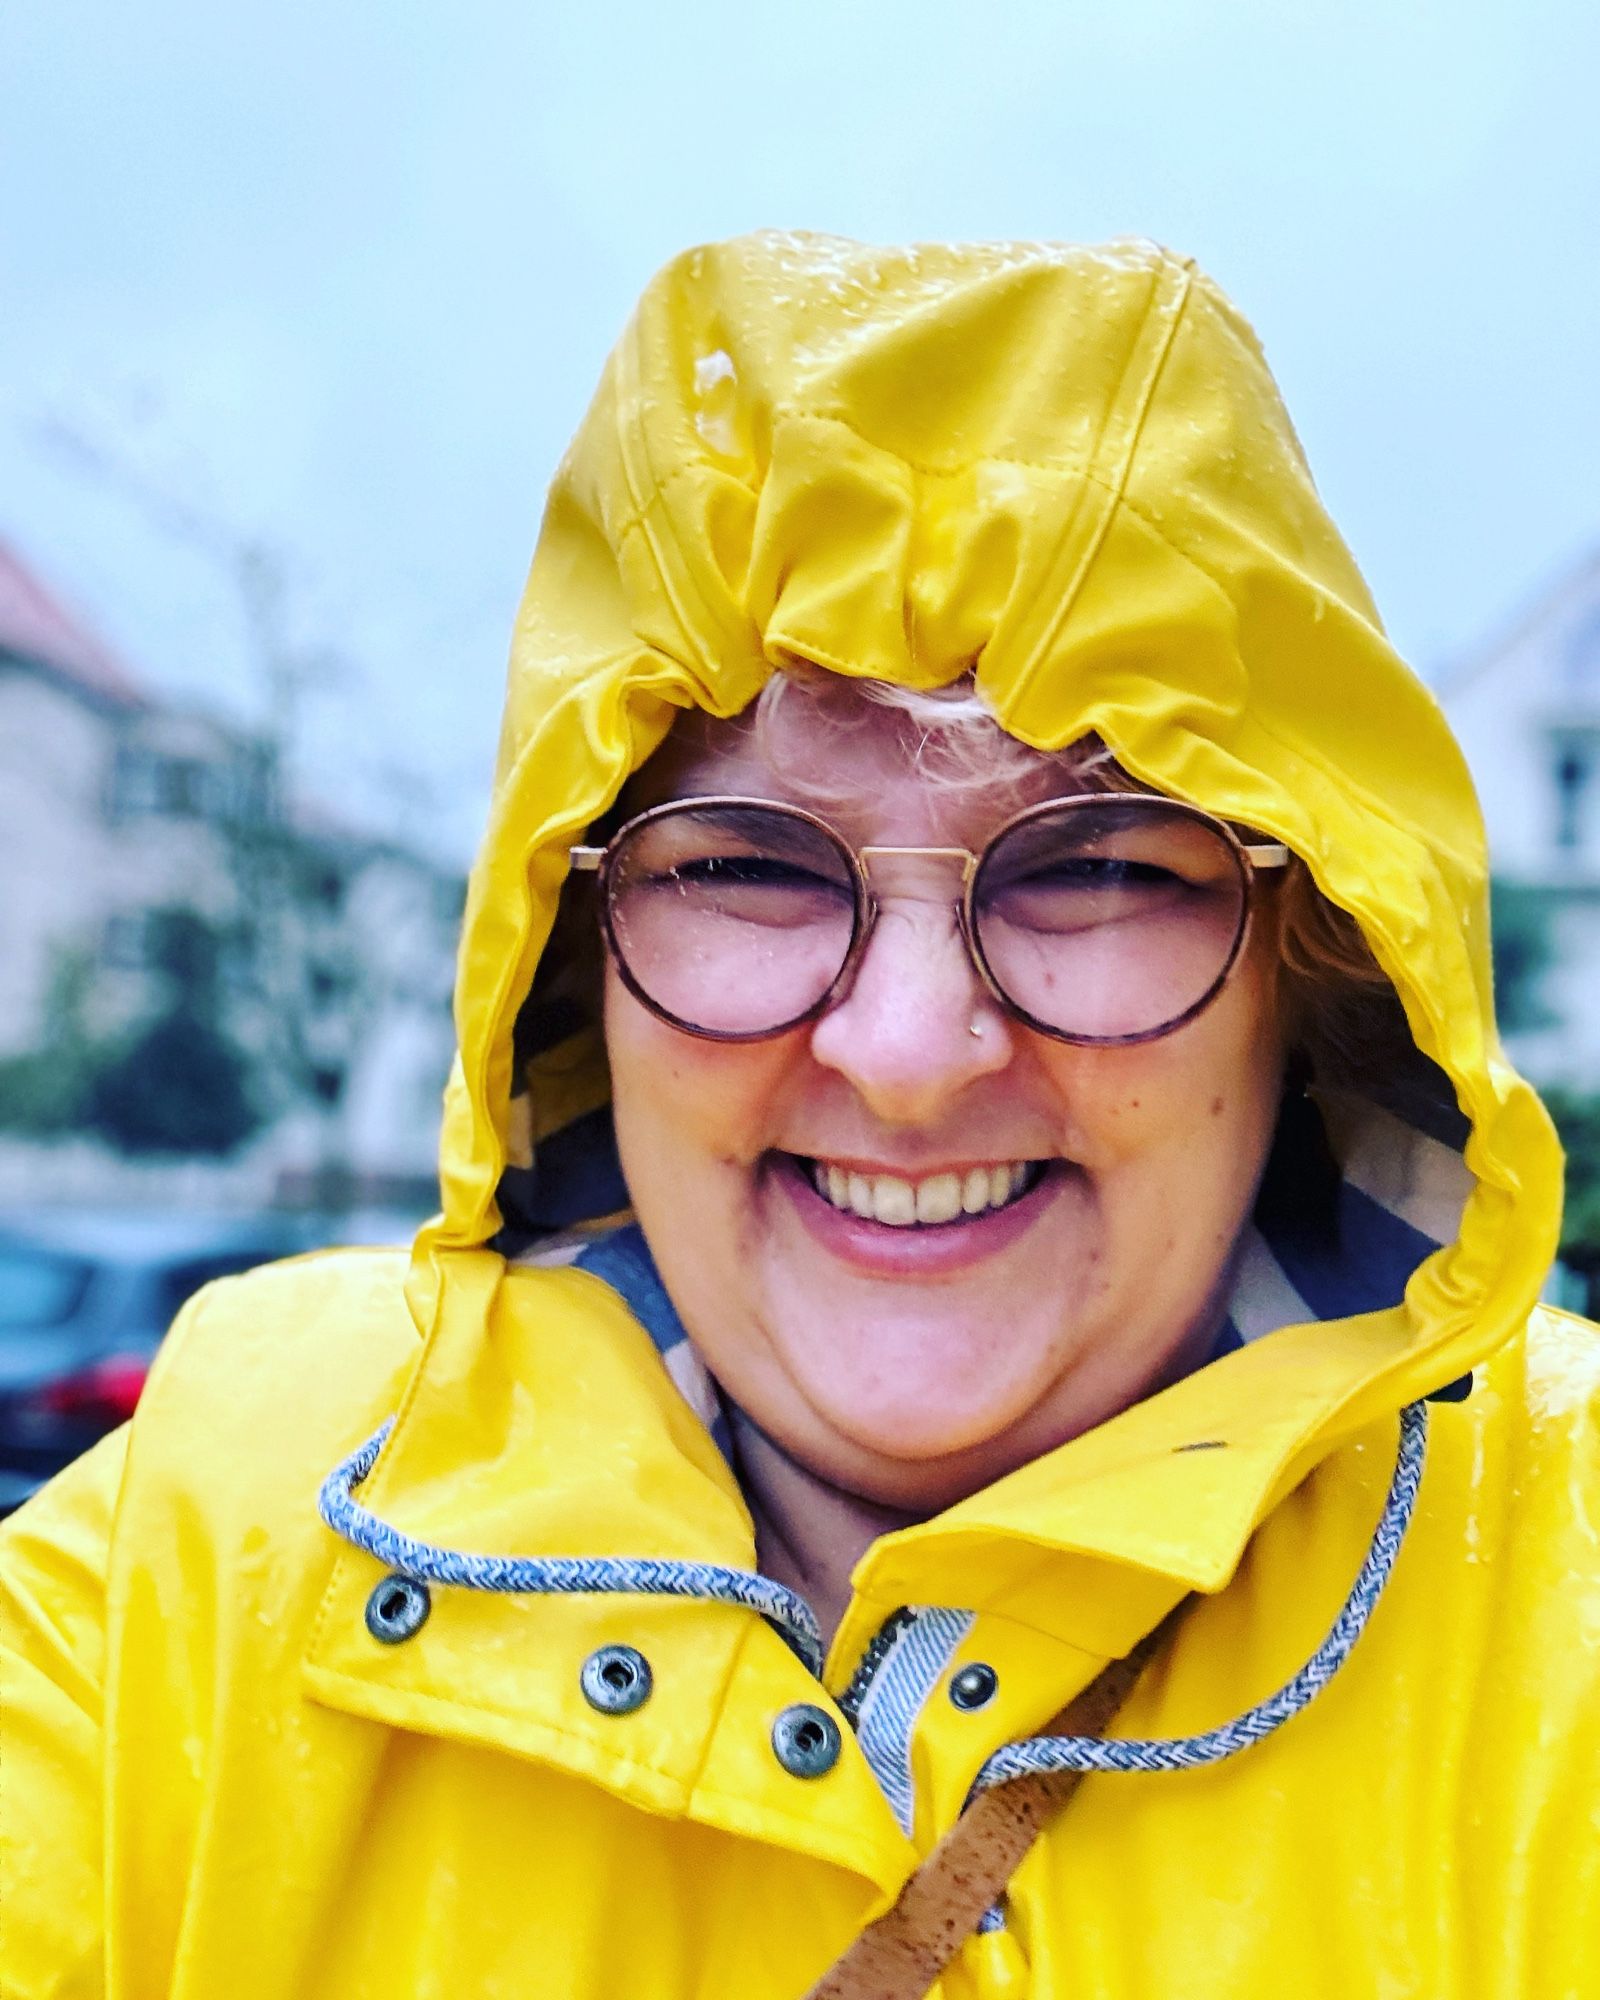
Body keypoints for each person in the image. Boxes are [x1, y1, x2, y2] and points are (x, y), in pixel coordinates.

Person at [3, 233, 1597, 2000]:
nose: (910, 1051)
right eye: (748, 865)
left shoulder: (1564, 1582)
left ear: (1309, 963)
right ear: (573, 953)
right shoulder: (219, 1528)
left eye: (1101, 870)